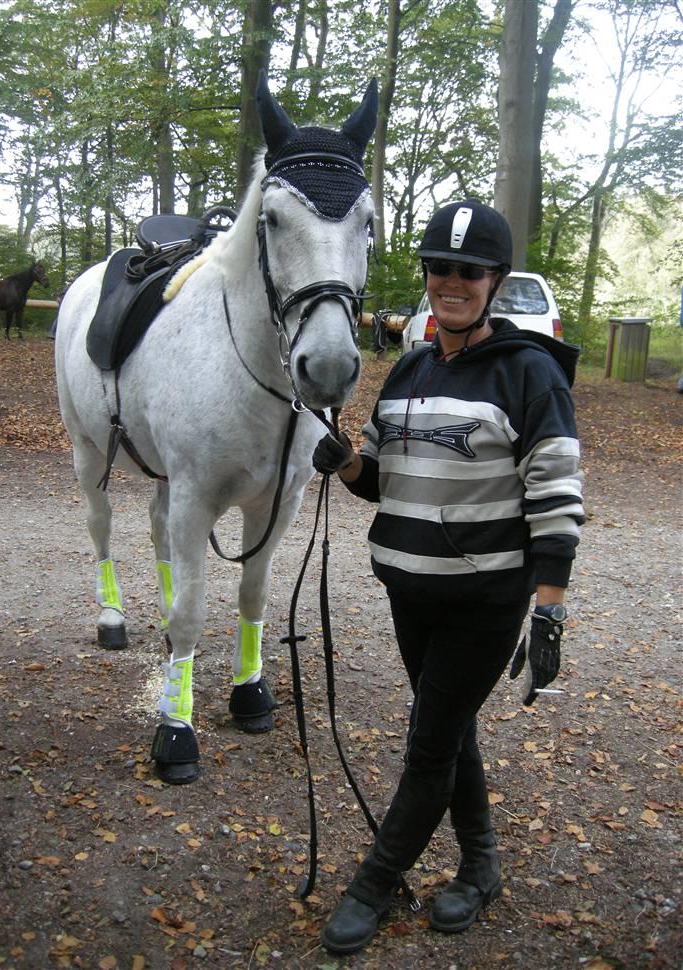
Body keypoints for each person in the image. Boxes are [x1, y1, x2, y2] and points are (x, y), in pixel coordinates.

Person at [312, 198, 585, 955]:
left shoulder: (531, 375)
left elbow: (558, 496)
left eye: (468, 271)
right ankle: (482, 863)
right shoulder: (409, 367)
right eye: (439, 268)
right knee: (450, 729)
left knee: (428, 746)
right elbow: (381, 482)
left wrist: (550, 609)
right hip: (410, 592)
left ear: (495, 281)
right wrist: (348, 462)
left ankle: (373, 884)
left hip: (483, 600)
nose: (451, 282)